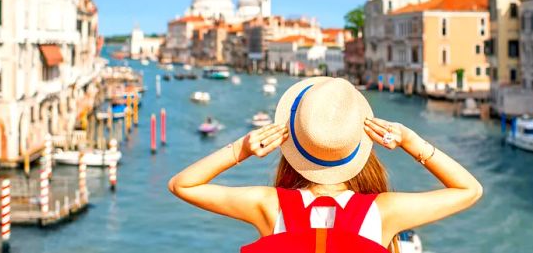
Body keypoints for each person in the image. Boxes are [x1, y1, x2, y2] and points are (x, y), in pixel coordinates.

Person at [169, 77, 483, 252]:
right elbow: (469, 190)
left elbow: (182, 184)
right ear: (360, 145)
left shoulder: (269, 206)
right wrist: (410, 141)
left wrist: (242, 148)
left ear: (292, 143)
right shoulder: (383, 212)